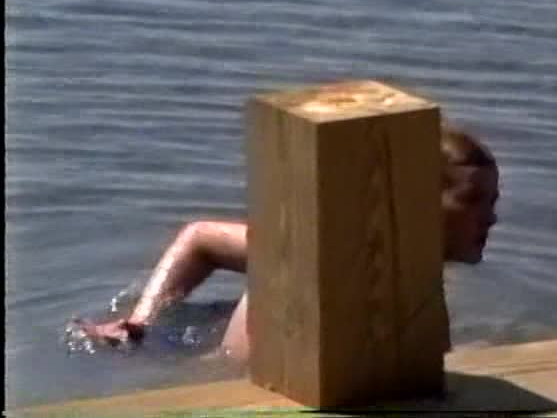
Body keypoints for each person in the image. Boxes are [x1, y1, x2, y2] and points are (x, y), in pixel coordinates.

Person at [78, 124, 500, 362]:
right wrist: (141, 323)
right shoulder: (329, 262)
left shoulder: (402, 271)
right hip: (214, 385)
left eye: (493, 201)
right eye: (473, 200)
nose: (491, 217)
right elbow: (200, 237)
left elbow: (201, 237)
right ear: (412, 203)